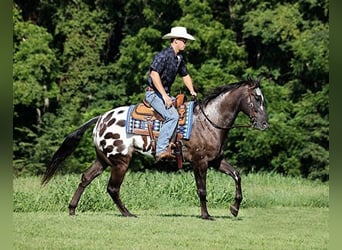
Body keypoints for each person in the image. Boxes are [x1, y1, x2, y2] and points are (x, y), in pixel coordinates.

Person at [145, 26, 197, 161]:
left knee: (184, 111)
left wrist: (192, 90)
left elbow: (185, 75)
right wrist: (164, 96)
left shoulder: (179, 58)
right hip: (153, 94)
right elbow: (154, 74)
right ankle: (161, 150)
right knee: (173, 116)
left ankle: (176, 144)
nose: (185, 43)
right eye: (183, 41)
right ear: (175, 41)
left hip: (164, 93)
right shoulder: (163, 55)